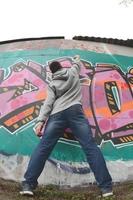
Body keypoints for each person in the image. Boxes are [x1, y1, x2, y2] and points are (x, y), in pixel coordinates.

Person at [20, 55, 113, 197]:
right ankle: (106, 188)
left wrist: (40, 121)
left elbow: (48, 103)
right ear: (62, 67)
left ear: (52, 72)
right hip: (76, 111)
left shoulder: (52, 84)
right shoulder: (72, 72)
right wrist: (76, 59)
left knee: (43, 148)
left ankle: (28, 184)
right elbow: (77, 65)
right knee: (90, 147)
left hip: (57, 114)